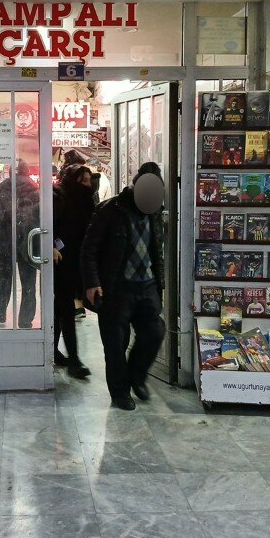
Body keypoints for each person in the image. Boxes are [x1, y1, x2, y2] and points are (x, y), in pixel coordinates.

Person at [80, 161, 166, 410]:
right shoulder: (110, 210)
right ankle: (120, 392)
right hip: (116, 287)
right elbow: (89, 249)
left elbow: (156, 249)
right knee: (116, 342)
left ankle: (137, 376)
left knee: (154, 332)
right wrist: (92, 283)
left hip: (147, 286)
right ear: (136, 184)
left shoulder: (155, 212)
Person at [52, 164, 95, 379]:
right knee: (66, 308)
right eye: (84, 180)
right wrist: (52, 245)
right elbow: (47, 226)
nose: (88, 184)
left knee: (60, 309)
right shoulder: (58, 198)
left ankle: (52, 351)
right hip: (61, 263)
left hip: (78, 262)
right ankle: (74, 360)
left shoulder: (87, 201)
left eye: (89, 179)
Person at [0, 159, 39, 328]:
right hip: (28, 244)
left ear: (10, 173)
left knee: (4, 278)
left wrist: (3, 231)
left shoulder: (3, 192)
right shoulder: (35, 192)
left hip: (6, 244)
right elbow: (38, 219)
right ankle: (25, 319)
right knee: (29, 284)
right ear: (27, 172)